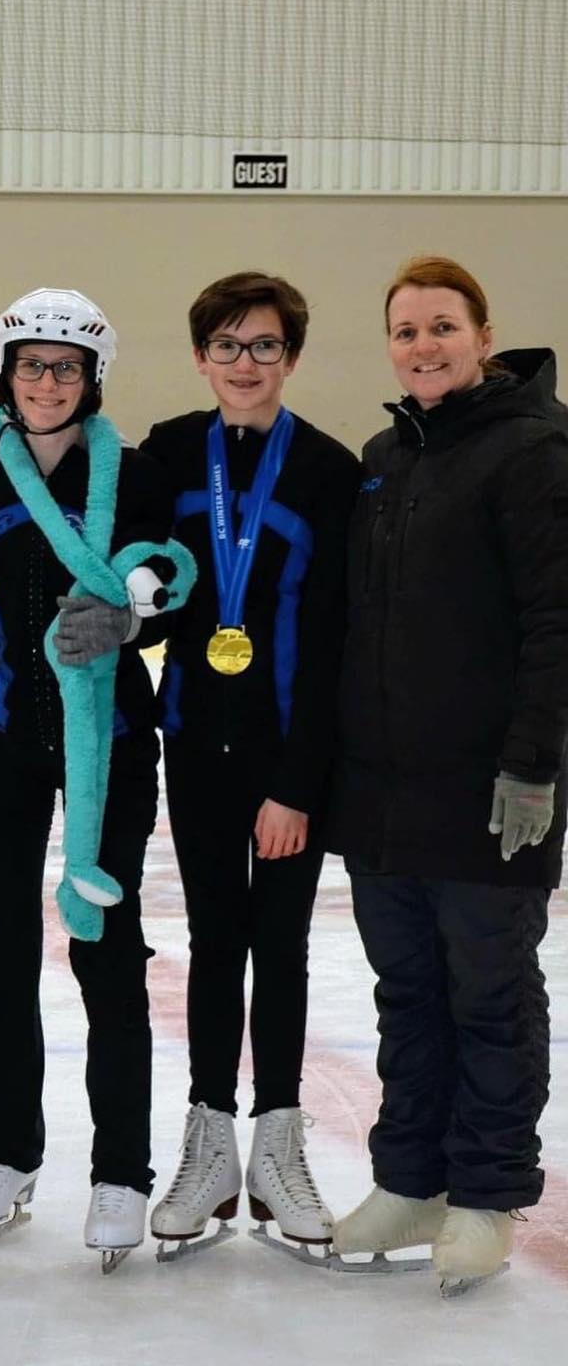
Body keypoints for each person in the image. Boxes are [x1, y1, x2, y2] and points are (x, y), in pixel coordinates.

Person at [72, 272, 359, 1255]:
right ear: (200, 355)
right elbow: (115, 534)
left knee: (280, 946)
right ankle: (207, 1144)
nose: (246, 364)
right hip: (195, 746)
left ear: (292, 357)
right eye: (228, 346)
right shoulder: (169, 453)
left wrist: (298, 782)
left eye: (265, 346)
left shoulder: (326, 469)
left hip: (285, 759)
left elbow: (330, 645)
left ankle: (277, 1146)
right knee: (212, 939)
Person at [328, 256, 566, 1292]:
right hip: (386, 793)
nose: (422, 346)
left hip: (488, 793)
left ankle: (486, 1194)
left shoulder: (533, 452)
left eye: (441, 327)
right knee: (407, 993)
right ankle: (411, 1179)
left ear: (482, 335)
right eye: (406, 330)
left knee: (489, 992)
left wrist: (533, 767)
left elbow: (557, 623)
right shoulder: (386, 456)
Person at [0, 289, 191, 1264]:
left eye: (67, 368)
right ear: (6, 375)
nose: (48, 383)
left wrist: (142, 622)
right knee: (8, 950)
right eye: (31, 366)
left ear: (93, 381)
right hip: (3, 730)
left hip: (116, 738)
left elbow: (175, 579)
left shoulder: (133, 473)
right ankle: (9, 1151)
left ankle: (122, 1171)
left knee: (106, 948)